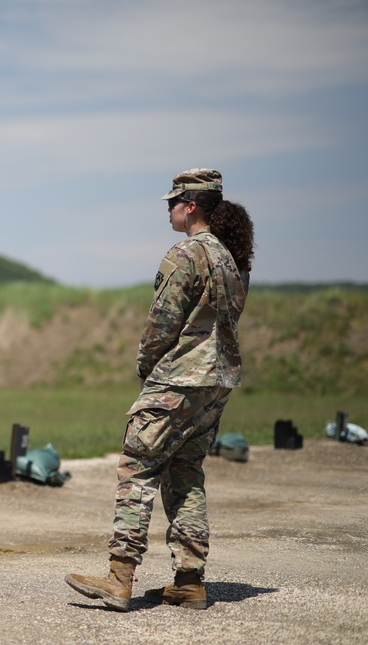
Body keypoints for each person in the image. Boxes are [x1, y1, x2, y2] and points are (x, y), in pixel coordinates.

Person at [65, 168, 255, 612]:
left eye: (172, 203)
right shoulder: (232, 259)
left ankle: (120, 578)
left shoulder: (188, 253)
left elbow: (163, 322)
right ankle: (189, 581)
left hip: (178, 379)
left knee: (138, 467)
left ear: (190, 206)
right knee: (186, 474)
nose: (168, 210)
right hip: (216, 382)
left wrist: (145, 366)